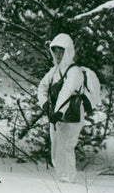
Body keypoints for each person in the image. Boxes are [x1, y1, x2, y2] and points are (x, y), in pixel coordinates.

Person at [37, 33, 88, 183]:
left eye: (61, 51)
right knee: (56, 147)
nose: (58, 55)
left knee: (67, 147)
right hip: (56, 116)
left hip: (71, 116)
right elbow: (42, 87)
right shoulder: (54, 71)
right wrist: (45, 103)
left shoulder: (74, 71)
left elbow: (67, 91)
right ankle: (61, 178)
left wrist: (59, 111)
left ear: (68, 51)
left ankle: (70, 179)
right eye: (55, 51)